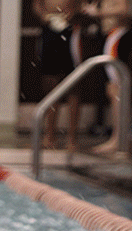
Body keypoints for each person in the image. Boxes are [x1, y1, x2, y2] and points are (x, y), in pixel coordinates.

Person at [85, 0, 132, 155]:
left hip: (118, 34)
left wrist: (98, 13)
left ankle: (119, 140)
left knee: (117, 90)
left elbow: (124, 10)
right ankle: (117, 138)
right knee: (113, 91)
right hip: (112, 34)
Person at [33, 0, 81, 151]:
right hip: (49, 29)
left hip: (69, 30)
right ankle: (49, 136)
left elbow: (81, 5)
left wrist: (70, 15)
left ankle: (72, 138)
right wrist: (45, 16)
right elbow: (37, 4)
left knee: (73, 85)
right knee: (50, 84)